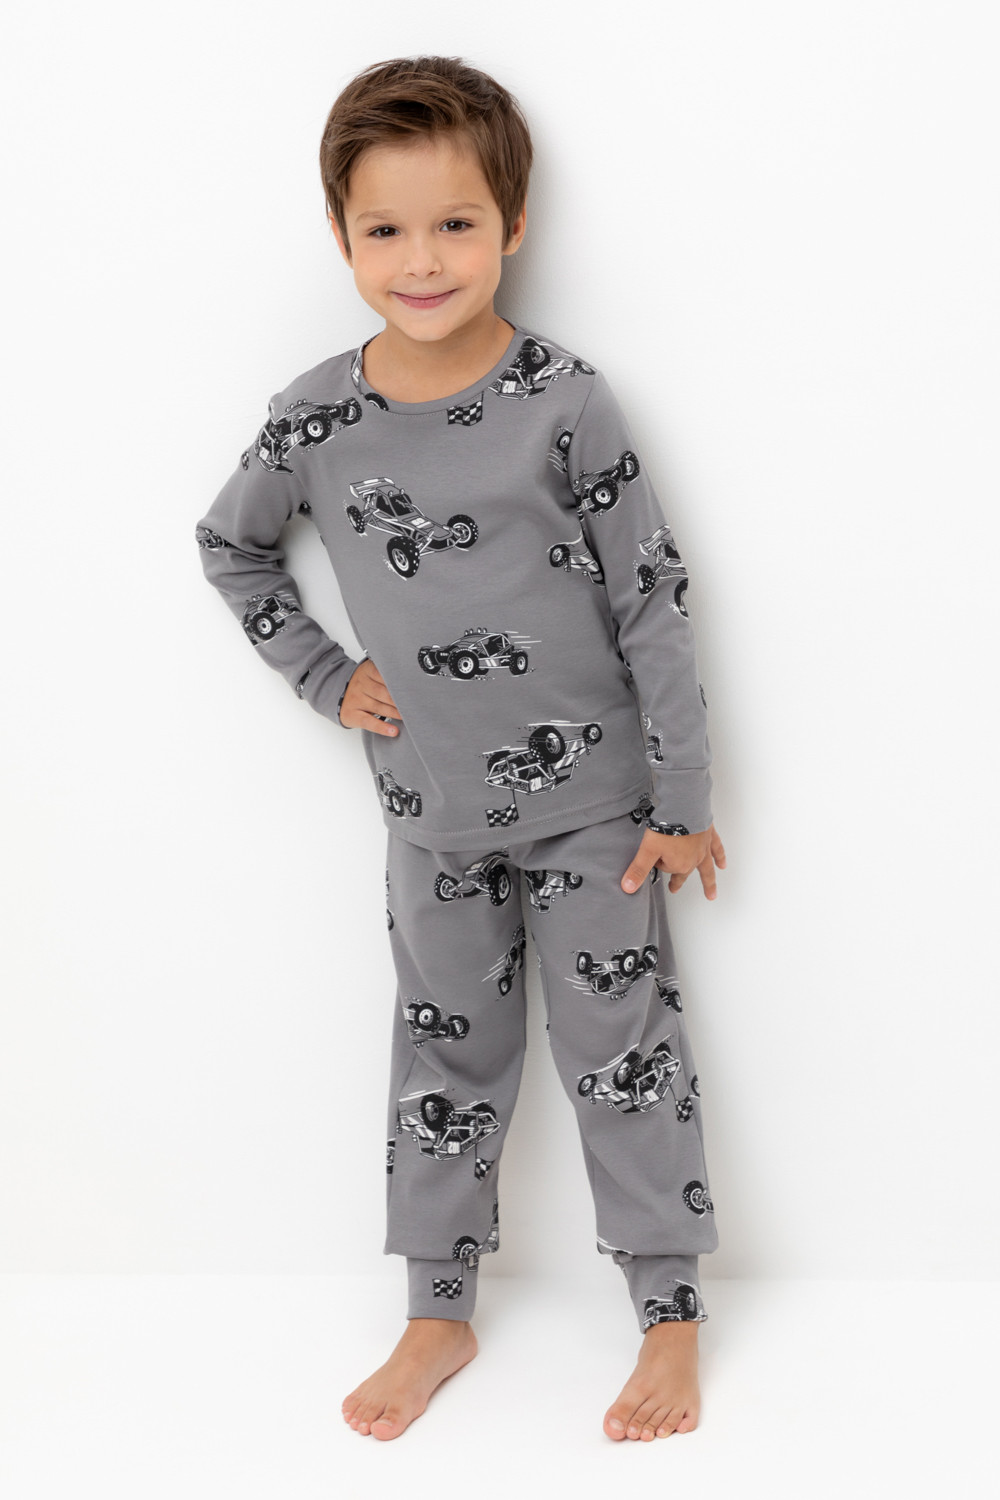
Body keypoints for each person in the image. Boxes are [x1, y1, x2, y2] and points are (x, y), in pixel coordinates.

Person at [194, 54, 727, 1445]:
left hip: (600, 814)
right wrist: (326, 677)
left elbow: (651, 596)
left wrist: (681, 795)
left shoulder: (567, 400)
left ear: (512, 225)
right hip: (429, 815)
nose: (421, 260)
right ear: (340, 234)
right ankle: (439, 1309)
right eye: (386, 228)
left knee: (623, 1055)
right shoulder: (316, 415)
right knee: (444, 1065)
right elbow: (231, 547)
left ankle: (668, 1311)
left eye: (455, 224)